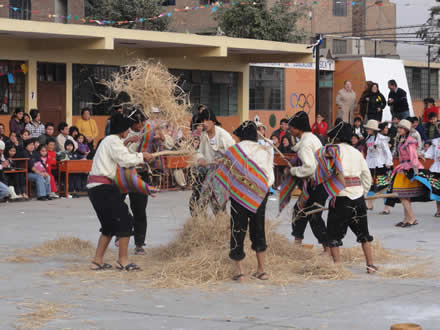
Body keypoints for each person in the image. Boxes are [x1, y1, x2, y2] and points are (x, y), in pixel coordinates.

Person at [87, 113, 153, 271]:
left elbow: (120, 154)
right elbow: (125, 160)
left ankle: (97, 261)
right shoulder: (113, 141)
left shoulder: (109, 141)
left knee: (109, 226)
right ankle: (122, 261)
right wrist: (142, 156)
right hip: (103, 188)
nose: (128, 132)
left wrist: (134, 151)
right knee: (125, 220)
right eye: (127, 130)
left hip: (97, 188)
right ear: (123, 130)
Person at [321, 122, 376, 273]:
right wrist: (362, 193)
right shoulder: (357, 152)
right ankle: (370, 265)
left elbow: (325, 171)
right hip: (358, 197)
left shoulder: (333, 151)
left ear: (337, 138)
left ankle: (338, 267)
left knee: (333, 234)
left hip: (341, 196)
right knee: (364, 233)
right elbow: (367, 177)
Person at [227, 121, 274, 282]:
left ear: (240, 136)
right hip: (260, 195)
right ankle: (262, 270)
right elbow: (270, 176)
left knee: (237, 230)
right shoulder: (265, 150)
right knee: (258, 229)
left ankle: (239, 272)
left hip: (239, 195)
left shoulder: (234, 150)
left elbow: (227, 173)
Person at [287, 111, 328, 251]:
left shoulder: (305, 144)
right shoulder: (312, 138)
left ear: (298, 128)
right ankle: (297, 243)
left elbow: (309, 168)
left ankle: (328, 250)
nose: (289, 130)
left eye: (291, 127)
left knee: (314, 216)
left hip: (317, 184)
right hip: (318, 184)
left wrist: (293, 171)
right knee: (299, 211)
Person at [190, 108, 235, 216]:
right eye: (203, 121)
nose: (204, 123)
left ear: (214, 121)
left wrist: (223, 159)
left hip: (222, 174)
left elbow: (233, 152)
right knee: (199, 199)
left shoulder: (224, 136)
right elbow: (199, 151)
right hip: (207, 172)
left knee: (218, 204)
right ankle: (199, 221)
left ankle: (221, 223)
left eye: (207, 120)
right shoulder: (203, 135)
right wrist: (201, 158)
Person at [120, 111, 150, 255]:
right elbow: (117, 149)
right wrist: (127, 141)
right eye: (140, 122)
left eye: (144, 122)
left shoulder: (148, 133)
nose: (143, 125)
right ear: (134, 122)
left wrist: (162, 138)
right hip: (124, 174)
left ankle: (139, 243)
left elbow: (165, 143)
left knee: (140, 209)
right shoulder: (123, 132)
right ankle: (122, 231)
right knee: (118, 205)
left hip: (141, 173)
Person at [386, 119, 426, 227]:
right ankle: (406, 219)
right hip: (402, 168)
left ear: (406, 130)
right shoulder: (402, 139)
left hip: (408, 169)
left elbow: (413, 157)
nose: (398, 129)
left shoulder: (410, 140)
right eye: (398, 127)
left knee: (402, 195)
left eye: (401, 128)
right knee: (405, 196)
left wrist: (416, 171)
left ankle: (412, 218)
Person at [364, 120, 393, 214]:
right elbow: (368, 153)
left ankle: (386, 207)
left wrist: (389, 162)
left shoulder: (381, 139)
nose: (367, 130)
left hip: (381, 165)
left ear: (373, 129)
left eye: (369, 128)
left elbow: (387, 152)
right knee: (370, 185)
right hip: (370, 164)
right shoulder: (369, 138)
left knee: (384, 186)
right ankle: (370, 204)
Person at [422, 135, 440, 217]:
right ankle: (438, 210)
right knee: (436, 189)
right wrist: (420, 154)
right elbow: (429, 154)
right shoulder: (435, 142)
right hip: (436, 169)